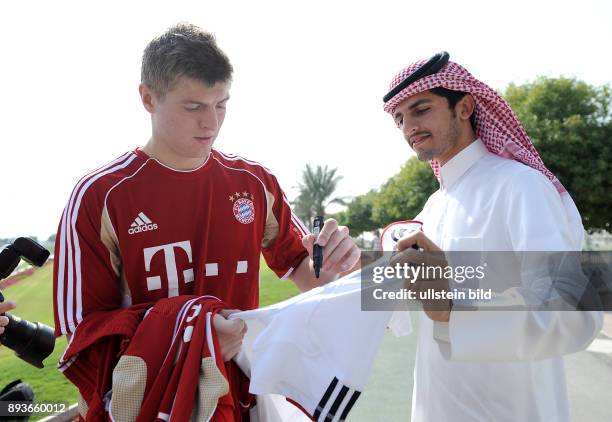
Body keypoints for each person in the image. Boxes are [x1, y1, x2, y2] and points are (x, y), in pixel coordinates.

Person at [52, 23, 359, 420]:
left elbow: (304, 270)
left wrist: (329, 263)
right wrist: (192, 334)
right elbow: (84, 337)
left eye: (222, 104)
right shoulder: (100, 195)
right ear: (148, 98)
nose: (211, 122)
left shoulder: (254, 182)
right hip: (148, 403)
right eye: (194, 107)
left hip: (241, 400)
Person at [382, 53, 602, 421]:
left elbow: (575, 311)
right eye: (400, 118)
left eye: (421, 109)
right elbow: (396, 303)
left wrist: (456, 307)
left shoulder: (520, 186)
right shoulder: (433, 208)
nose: (409, 127)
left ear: (465, 106)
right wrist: (340, 271)